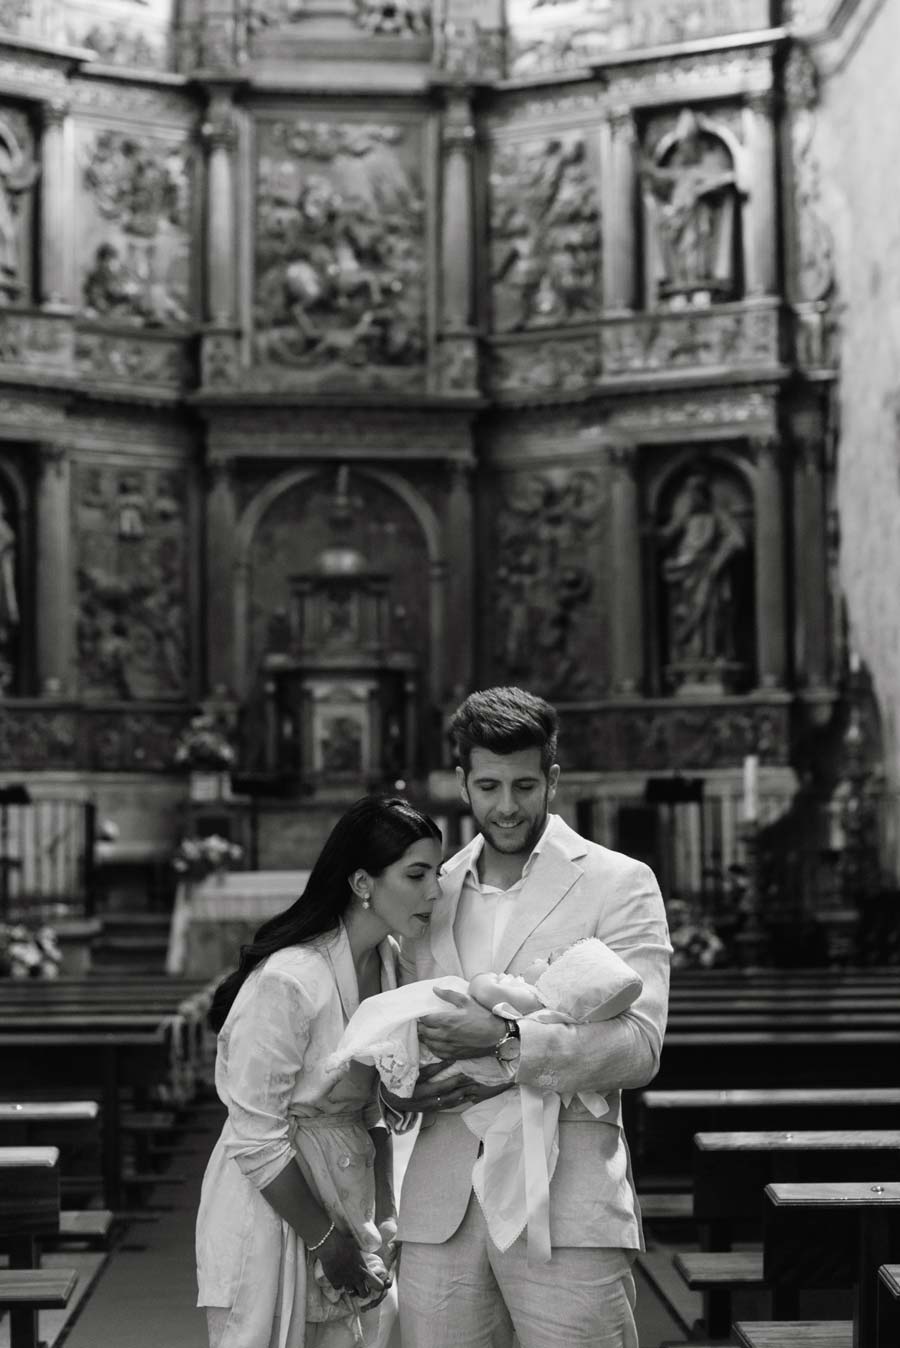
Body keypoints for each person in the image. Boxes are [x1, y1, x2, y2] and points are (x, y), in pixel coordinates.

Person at [389, 686, 672, 1348]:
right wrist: (397, 1084)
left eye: (524, 784)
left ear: (552, 778)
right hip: (442, 1205)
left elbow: (638, 1047)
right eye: (488, 786)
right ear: (461, 781)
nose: (507, 806)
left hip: (566, 1204)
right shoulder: (429, 889)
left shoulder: (618, 882)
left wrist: (507, 1042)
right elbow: (399, 1032)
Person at [195, 795, 443, 1348]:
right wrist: (326, 1240)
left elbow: (373, 1106)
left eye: (438, 873)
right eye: (417, 874)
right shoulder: (290, 979)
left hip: (352, 1189)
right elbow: (254, 1136)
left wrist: (386, 1214)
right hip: (276, 1200)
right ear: (362, 883)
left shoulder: (390, 964)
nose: (435, 891)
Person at [325, 936, 643, 1263]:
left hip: (570, 1212)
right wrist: (395, 1091)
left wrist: (502, 1037)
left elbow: (641, 1048)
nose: (547, 958)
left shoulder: (532, 996)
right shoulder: (431, 898)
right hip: (434, 1208)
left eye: (553, 961)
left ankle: (349, 1052)